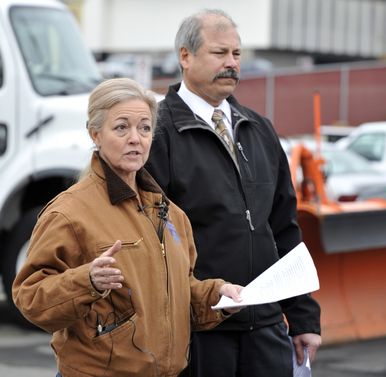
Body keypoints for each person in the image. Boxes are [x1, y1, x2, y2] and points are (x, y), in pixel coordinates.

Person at [12, 78, 243, 377]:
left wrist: (218, 296)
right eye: (121, 127)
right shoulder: (68, 212)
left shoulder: (172, 215)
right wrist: (88, 281)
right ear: (95, 133)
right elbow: (30, 298)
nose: (136, 138)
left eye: (145, 128)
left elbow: (177, 294)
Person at [145, 9, 322, 377]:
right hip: (201, 332)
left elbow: (283, 229)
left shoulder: (259, 129)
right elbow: (151, 240)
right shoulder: (157, 134)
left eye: (237, 55)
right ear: (185, 56)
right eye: (219, 53)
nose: (231, 64)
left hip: (267, 328)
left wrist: (303, 316)